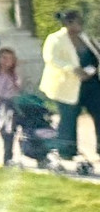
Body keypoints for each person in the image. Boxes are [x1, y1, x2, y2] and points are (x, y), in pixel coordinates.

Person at [41, 8, 99, 161]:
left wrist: (91, 70)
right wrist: (73, 69)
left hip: (91, 83)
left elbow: (94, 55)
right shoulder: (55, 39)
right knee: (69, 119)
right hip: (67, 86)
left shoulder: (85, 37)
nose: (81, 24)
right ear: (68, 23)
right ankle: (67, 152)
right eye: (78, 21)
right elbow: (51, 58)